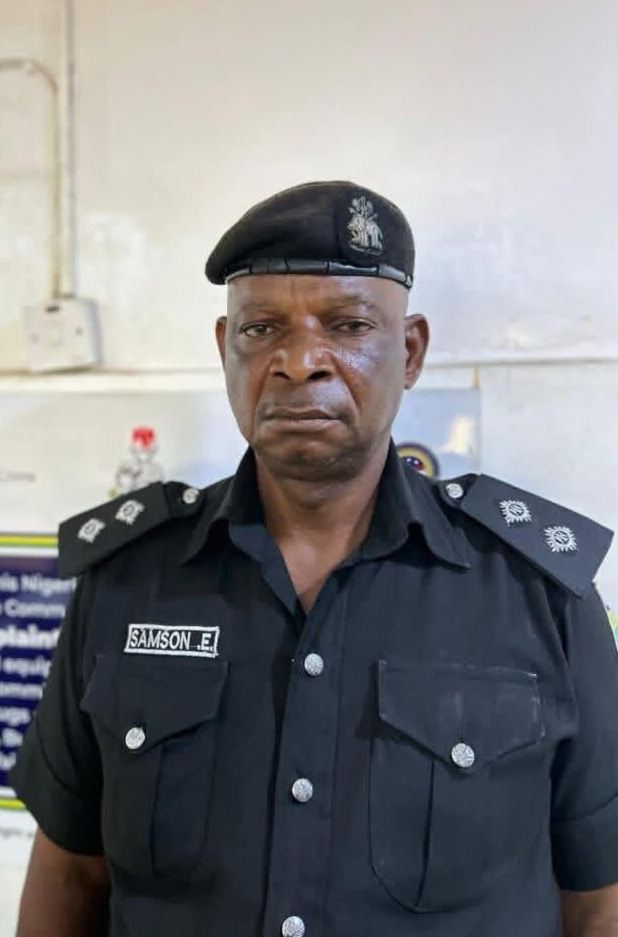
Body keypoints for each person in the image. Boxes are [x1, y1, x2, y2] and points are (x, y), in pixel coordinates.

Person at [10, 181, 618, 937]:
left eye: (348, 324)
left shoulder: (540, 595)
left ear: (411, 350)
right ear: (225, 348)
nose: (299, 362)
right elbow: (71, 873)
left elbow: (600, 901)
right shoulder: (128, 581)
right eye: (261, 328)